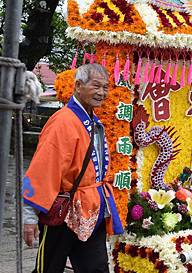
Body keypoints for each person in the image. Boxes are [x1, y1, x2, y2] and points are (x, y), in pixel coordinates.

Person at [22, 63, 124, 273]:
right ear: (78, 85)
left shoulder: (93, 120)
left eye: (105, 87)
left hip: (92, 209)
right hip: (63, 210)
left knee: (96, 269)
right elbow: (43, 171)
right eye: (96, 86)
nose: (102, 92)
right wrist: (30, 216)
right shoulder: (63, 122)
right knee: (49, 269)